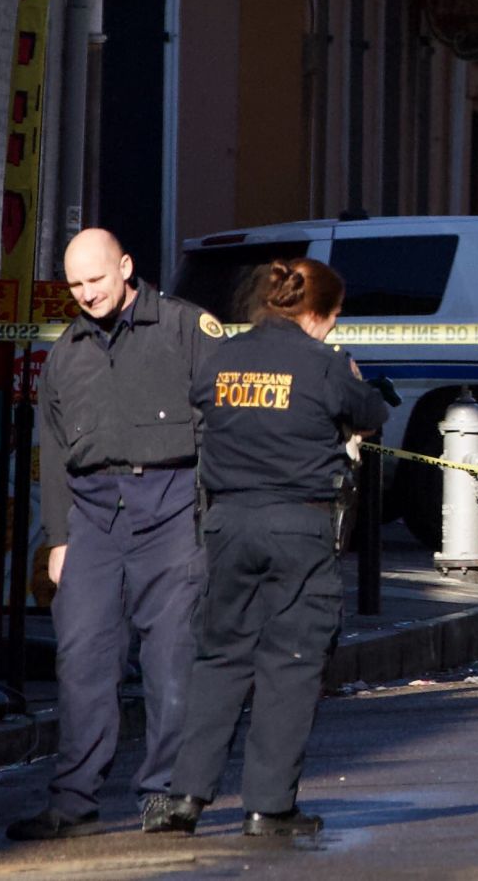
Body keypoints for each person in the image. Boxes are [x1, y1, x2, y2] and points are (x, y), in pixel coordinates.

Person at [147, 259, 387, 838]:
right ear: (316, 314)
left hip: (227, 523)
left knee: (221, 659)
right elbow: (370, 414)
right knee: (291, 664)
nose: (331, 329)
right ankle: (269, 807)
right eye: (332, 319)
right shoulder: (324, 364)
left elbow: (203, 402)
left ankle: (184, 796)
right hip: (298, 525)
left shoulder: (224, 357)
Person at [7, 230, 220, 841]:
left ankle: (163, 796)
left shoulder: (185, 329)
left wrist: (211, 518)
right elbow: (54, 451)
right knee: (82, 660)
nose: (87, 294)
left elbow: (220, 426)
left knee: (170, 657)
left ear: (126, 267)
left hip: (174, 507)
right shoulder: (66, 353)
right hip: (93, 519)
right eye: (75, 285)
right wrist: (57, 540)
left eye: (96, 280)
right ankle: (74, 803)